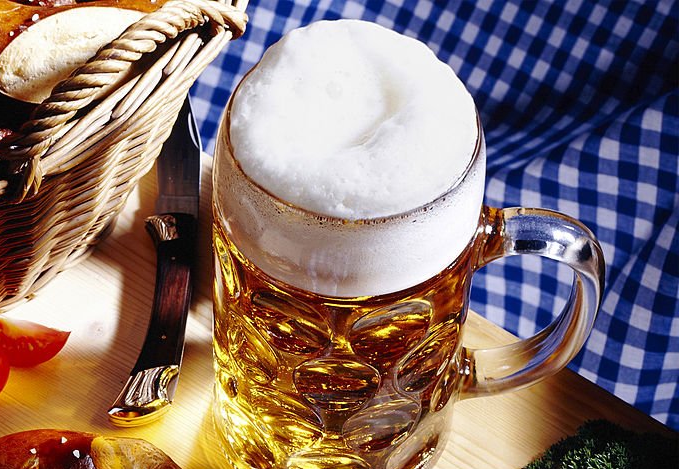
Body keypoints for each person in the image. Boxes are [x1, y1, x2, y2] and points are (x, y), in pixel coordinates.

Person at [192, 0, 678, 429]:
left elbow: (567, 249)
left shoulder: (440, 168)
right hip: (255, 432)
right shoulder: (253, 148)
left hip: (391, 442)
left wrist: (463, 372)